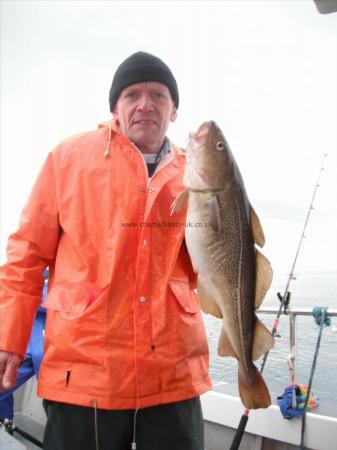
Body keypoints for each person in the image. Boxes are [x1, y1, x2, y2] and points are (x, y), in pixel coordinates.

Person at [0, 51, 212, 450]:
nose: (145, 104)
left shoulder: (197, 175)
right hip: (84, 373)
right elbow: (26, 254)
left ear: (175, 110)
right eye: (132, 95)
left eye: (158, 95)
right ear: (115, 106)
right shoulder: (67, 158)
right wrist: (9, 338)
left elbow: (209, 264)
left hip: (173, 372)